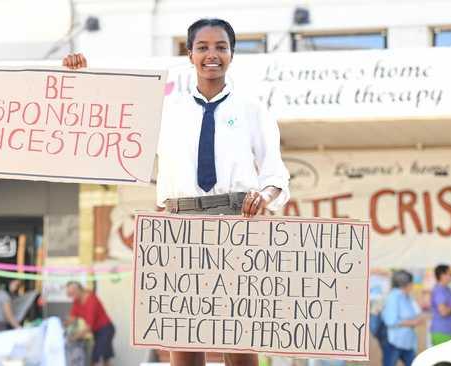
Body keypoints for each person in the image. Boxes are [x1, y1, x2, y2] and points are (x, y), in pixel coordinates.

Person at [62, 17, 290, 366]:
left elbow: (274, 172)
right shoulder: (167, 109)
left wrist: (266, 196)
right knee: (183, 343)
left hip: (235, 223)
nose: (211, 54)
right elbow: (107, 115)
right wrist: (78, 77)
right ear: (189, 53)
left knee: (239, 340)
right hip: (178, 224)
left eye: (220, 47)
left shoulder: (252, 108)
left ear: (232, 54)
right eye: (202, 47)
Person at [65, 281, 115, 366]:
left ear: (78, 290)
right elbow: (71, 318)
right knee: (104, 358)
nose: (70, 296)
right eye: (69, 294)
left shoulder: (91, 300)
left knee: (97, 359)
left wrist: (74, 337)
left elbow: (88, 327)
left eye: (71, 293)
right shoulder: (77, 301)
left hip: (105, 329)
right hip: (97, 331)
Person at [381, 270, 424, 366]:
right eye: (411, 282)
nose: (413, 285)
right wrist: (412, 323)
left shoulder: (407, 296)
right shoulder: (394, 297)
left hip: (407, 342)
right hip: (394, 342)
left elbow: (417, 311)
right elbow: (390, 321)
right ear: (406, 284)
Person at [429, 264, 451, 345]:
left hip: (450, 331)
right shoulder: (439, 290)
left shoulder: (447, 289)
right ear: (442, 275)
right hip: (442, 333)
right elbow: (443, 312)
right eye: (450, 274)